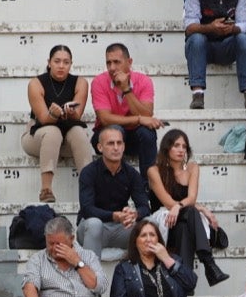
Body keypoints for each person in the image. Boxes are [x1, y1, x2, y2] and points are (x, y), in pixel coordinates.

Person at [23, 46, 94, 205]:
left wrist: (71, 113)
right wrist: (53, 114)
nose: (61, 66)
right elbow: (42, 118)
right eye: (57, 61)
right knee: (52, 131)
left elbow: (78, 115)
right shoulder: (36, 83)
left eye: (66, 62)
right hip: (38, 137)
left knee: (78, 132)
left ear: (71, 64)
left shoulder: (80, 82)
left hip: (68, 139)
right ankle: (46, 189)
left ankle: (90, 188)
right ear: (49, 63)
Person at [79, 126, 152, 259]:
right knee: (94, 223)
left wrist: (135, 214)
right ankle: (90, 276)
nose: (116, 147)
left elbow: (144, 207)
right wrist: (114, 216)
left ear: (124, 146)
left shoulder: (132, 174)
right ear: (100, 147)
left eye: (119, 143)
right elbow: (87, 209)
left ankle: (144, 275)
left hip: (120, 229)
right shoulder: (88, 172)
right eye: (111, 143)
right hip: (93, 230)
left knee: (149, 224)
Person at [183, 0, 246, 110]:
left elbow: (245, 24)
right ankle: (198, 94)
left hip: (227, 45)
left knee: (243, 38)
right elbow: (189, 27)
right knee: (196, 39)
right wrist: (211, 27)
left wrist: (233, 29)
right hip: (204, 47)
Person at [91, 44, 163, 174]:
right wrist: (139, 119)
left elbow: (147, 114)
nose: (112, 68)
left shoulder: (144, 81)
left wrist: (126, 89)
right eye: (108, 63)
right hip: (105, 136)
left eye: (117, 62)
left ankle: (147, 186)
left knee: (147, 133)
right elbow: (105, 119)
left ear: (129, 62)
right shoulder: (98, 82)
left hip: (134, 137)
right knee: (115, 130)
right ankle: (116, 182)